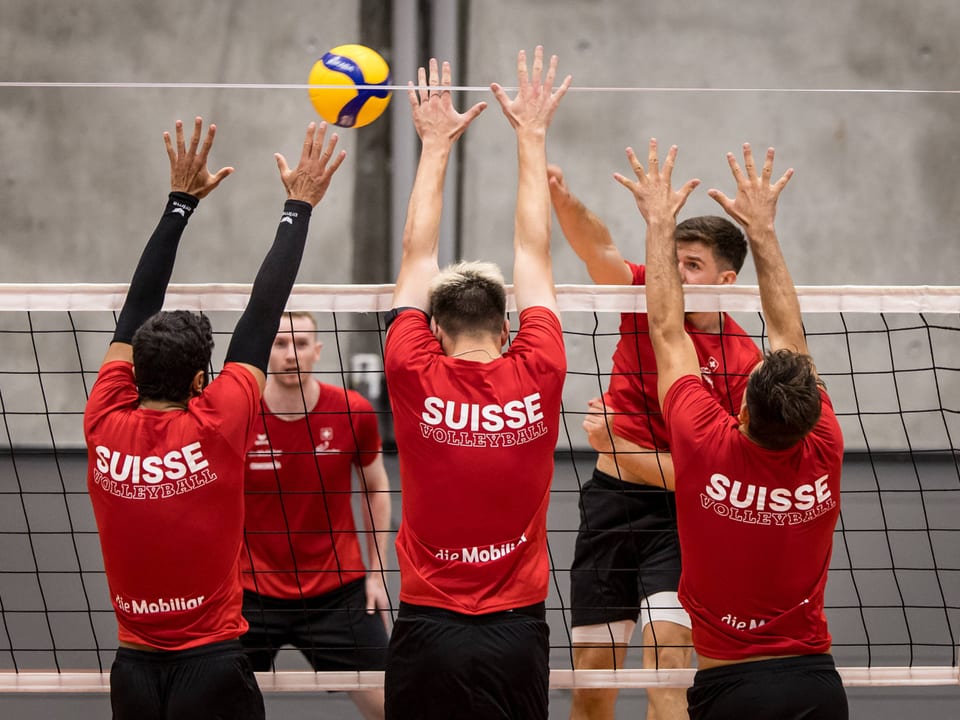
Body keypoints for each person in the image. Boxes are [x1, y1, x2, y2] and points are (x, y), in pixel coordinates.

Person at [84, 116, 346, 719]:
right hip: (213, 668)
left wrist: (179, 202)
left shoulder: (103, 419)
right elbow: (265, 310)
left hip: (133, 672)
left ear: (130, 371)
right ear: (202, 382)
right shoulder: (221, 420)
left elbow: (136, 308)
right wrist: (298, 205)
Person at [616, 139, 847, 719]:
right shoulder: (825, 446)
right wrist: (764, 232)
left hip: (732, 689)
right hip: (817, 683)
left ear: (741, 412)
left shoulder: (706, 442)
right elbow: (789, 334)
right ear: (812, 415)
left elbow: (667, 331)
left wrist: (658, 225)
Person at [381, 48, 570, 720]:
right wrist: (531, 136)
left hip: (427, 626)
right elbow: (534, 252)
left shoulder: (410, 365)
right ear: (508, 320)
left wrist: (434, 145)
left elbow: (415, 255)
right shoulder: (541, 365)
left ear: (432, 328)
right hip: (516, 632)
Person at [548, 167, 760, 719]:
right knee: (592, 684)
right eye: (674, 261)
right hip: (610, 510)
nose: (677, 273)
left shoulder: (745, 363)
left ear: (725, 280)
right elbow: (600, 251)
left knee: (668, 671)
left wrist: (622, 450)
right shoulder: (644, 292)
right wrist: (564, 198)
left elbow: (717, 476)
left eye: (692, 266)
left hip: (686, 522)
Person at [240, 310, 391, 720]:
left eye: (301, 344)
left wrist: (377, 574)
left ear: (318, 351)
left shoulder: (351, 411)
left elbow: (377, 488)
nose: (291, 354)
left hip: (337, 591)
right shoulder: (238, 414)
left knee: (395, 705)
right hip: (250, 592)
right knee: (210, 705)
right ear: (265, 351)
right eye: (280, 344)